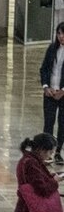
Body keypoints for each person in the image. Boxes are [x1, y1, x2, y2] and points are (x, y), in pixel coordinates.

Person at [41, 23, 64, 165]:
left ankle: (58, 151)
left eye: (63, 34)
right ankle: (47, 151)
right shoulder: (52, 49)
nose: (61, 37)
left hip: (62, 94)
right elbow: (44, 68)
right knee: (48, 123)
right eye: (59, 33)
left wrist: (63, 91)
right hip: (50, 92)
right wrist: (46, 87)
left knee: (62, 123)